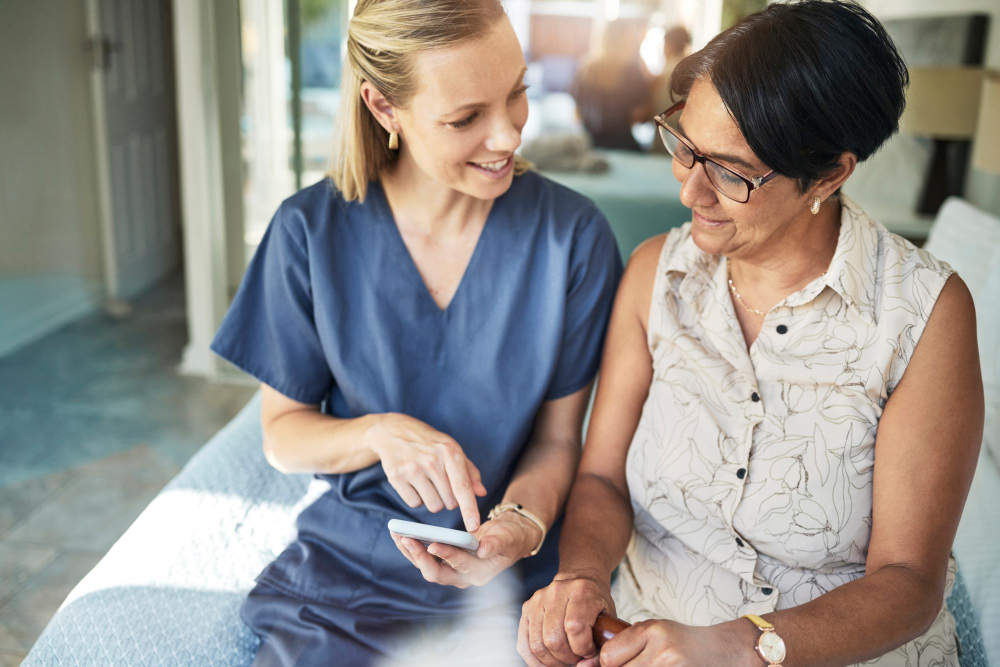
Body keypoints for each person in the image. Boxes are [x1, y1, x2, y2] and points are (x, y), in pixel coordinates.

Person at [518, 1, 984, 665]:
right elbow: (603, 477)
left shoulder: (923, 312)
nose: (691, 194)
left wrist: (741, 645)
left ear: (829, 174)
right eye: (686, 148)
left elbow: (909, 583)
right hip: (641, 645)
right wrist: (583, 577)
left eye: (732, 174)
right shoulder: (659, 275)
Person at [209, 0, 622, 664]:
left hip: (510, 587)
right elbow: (284, 436)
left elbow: (555, 441)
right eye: (465, 118)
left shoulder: (571, 238)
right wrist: (377, 431)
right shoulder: (308, 233)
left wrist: (518, 527)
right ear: (383, 108)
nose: (509, 137)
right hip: (348, 576)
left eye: (517, 93)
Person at [570, 19, 650, 152]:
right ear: (627, 40)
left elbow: (577, 115)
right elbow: (640, 114)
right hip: (623, 145)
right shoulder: (632, 70)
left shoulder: (586, 68)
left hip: (590, 145)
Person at [648, 26, 691, 155]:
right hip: (686, 148)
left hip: (663, 144)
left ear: (670, 45)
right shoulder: (695, 74)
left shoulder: (662, 76)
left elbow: (649, 112)